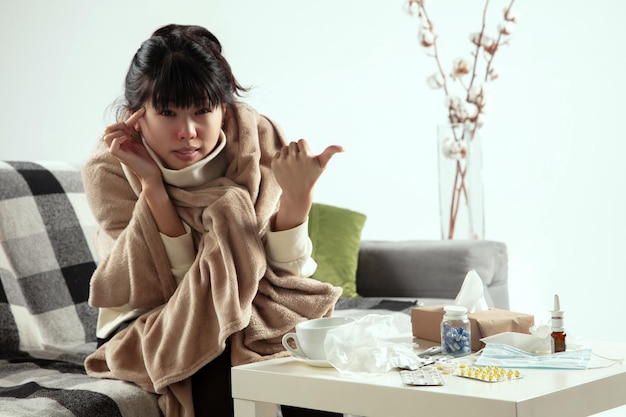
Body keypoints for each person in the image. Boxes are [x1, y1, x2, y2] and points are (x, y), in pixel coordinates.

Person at [82, 24, 344, 417]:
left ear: (225, 107)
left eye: (203, 110)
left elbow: (285, 274)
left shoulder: (253, 141)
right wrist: (152, 186)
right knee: (217, 352)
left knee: (308, 363)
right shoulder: (111, 167)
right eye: (167, 112)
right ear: (138, 114)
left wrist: (297, 200)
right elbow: (168, 290)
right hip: (151, 314)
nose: (187, 132)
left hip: (252, 298)